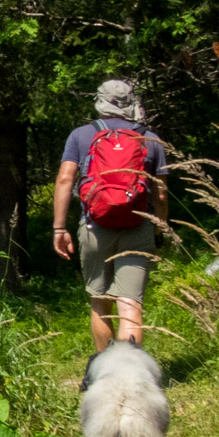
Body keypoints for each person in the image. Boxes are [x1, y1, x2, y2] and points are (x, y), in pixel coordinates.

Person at [52, 80, 168, 350]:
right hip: (138, 226)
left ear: (99, 101)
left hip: (94, 227)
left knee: (100, 301)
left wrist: (59, 228)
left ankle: (106, 371)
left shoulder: (81, 135)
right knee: (130, 304)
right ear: (130, 103)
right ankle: (131, 374)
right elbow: (160, 192)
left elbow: (65, 179)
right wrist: (160, 227)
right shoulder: (150, 138)